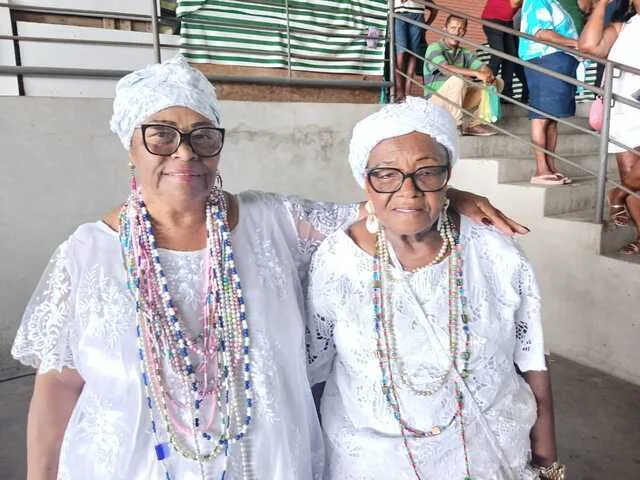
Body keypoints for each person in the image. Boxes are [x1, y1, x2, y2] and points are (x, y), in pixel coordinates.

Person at [10, 57, 527, 479]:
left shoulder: (274, 222)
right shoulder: (84, 253)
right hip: (127, 466)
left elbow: (382, 209)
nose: (185, 153)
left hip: (265, 462)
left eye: (203, 135)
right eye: (161, 135)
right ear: (129, 145)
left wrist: (443, 190)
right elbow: (57, 384)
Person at [307, 97, 564, 479]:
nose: (408, 191)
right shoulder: (337, 261)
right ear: (366, 181)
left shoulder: (494, 251)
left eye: (427, 173)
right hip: (372, 466)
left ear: (447, 177)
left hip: (494, 458)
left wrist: (547, 464)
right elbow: (318, 371)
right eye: (387, 174)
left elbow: (531, 363)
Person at [579, 0, 640, 255]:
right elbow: (588, 46)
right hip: (623, 111)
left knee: (632, 180)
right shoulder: (622, 28)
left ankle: (617, 194)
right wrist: (602, 3)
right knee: (631, 179)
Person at [519, 0, 591, 186]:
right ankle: (540, 169)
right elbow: (542, 33)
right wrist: (576, 43)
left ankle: (550, 167)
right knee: (541, 116)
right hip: (545, 60)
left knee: (552, 120)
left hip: (559, 63)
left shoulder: (554, 3)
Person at [424, 14, 505, 137]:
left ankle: (474, 125)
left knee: (497, 82)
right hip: (435, 102)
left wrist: (487, 74)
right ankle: (456, 125)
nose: (456, 32)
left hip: (457, 99)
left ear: (464, 32)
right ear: (444, 29)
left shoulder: (465, 52)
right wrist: (476, 73)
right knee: (458, 79)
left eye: (460, 29)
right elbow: (445, 69)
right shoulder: (434, 47)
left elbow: (482, 67)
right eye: (453, 28)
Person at [482, 0, 530, 103]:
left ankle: (506, 93)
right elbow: (515, 3)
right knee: (498, 54)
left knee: (511, 57)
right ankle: (487, 89)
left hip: (507, 21)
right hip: (492, 18)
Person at [394, 0, 438, 102]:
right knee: (400, 53)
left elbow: (434, 8)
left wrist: (426, 25)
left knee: (413, 55)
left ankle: (407, 94)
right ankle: (399, 91)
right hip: (399, 14)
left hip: (417, 15)